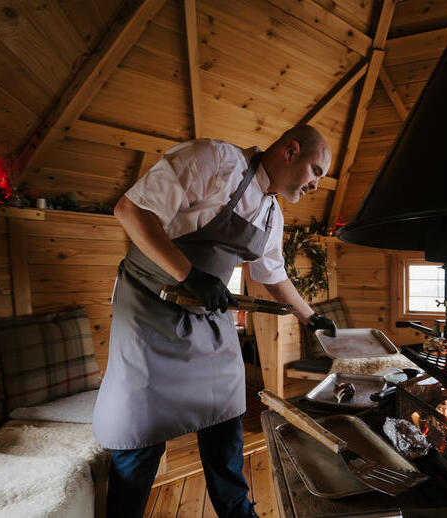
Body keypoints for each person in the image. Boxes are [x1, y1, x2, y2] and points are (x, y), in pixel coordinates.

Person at [92, 125, 338, 518]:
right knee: (141, 425)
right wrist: (189, 274)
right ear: (291, 151)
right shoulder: (215, 160)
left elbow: (272, 275)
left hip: (206, 314)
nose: (315, 185)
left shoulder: (272, 214)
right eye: (317, 171)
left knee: (225, 410)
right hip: (147, 307)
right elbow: (131, 210)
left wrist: (312, 318)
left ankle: (237, 512)